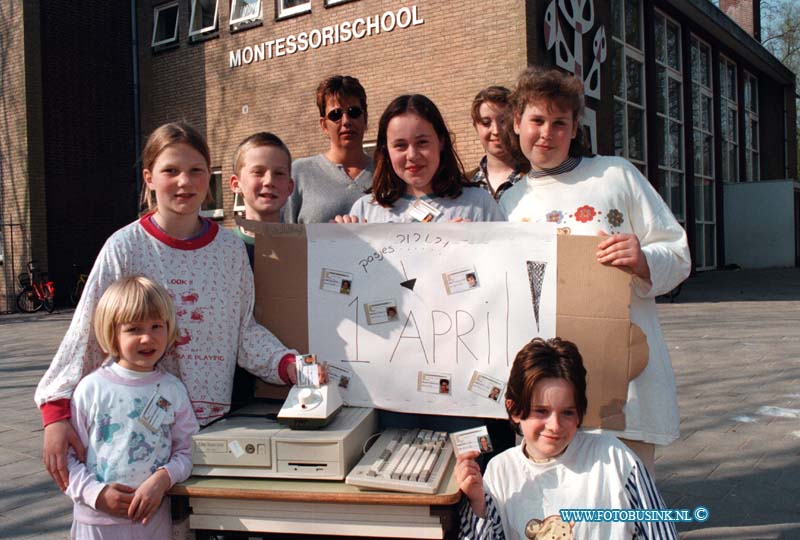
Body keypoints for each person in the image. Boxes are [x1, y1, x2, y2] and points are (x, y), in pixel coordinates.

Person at [35, 122, 311, 493]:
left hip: (207, 433)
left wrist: (288, 364)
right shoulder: (124, 248)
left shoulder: (229, 252)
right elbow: (87, 333)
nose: (185, 181)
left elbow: (243, 332)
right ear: (149, 177)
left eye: (196, 170)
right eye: (171, 170)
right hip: (134, 438)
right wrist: (56, 415)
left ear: (208, 178)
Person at [499, 67, 691, 469]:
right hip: (548, 397)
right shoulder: (507, 203)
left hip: (622, 383)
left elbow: (677, 252)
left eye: (559, 123)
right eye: (536, 120)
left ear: (575, 128)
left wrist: (644, 261)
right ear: (517, 123)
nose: (546, 133)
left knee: (630, 506)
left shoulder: (615, 175)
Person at [456, 338, 678, 540]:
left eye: (567, 413)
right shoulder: (501, 471)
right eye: (541, 411)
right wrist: (478, 504)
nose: (554, 426)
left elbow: (659, 531)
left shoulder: (613, 459)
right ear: (514, 410)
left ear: (580, 412)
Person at [65, 276, 198, 539]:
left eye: (156, 326)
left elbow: (188, 450)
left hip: (153, 519)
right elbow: (67, 459)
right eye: (134, 329)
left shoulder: (173, 390)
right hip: (96, 523)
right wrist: (96, 494)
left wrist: (163, 479)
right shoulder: (91, 389)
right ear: (112, 333)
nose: (147, 338)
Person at [335, 94, 504, 223]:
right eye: (400, 145)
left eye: (422, 142)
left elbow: (503, 265)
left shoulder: (478, 204)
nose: (412, 155)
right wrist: (338, 242)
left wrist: (478, 247)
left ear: (441, 142)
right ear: (386, 150)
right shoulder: (365, 211)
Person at [284, 75, 374, 224]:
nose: (346, 121)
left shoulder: (385, 173)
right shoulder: (299, 173)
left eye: (353, 112)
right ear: (324, 125)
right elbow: (282, 238)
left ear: (365, 119)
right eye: (335, 115)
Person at [229, 131, 294, 267]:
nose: (269, 181)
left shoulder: (305, 247)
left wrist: (343, 234)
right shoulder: (222, 247)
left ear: (290, 187)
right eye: (258, 172)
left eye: (279, 173)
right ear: (236, 184)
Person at [468, 86, 529, 201]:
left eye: (503, 121)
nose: (496, 131)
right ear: (476, 127)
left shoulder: (535, 178)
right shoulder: (465, 184)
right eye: (486, 123)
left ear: (517, 122)